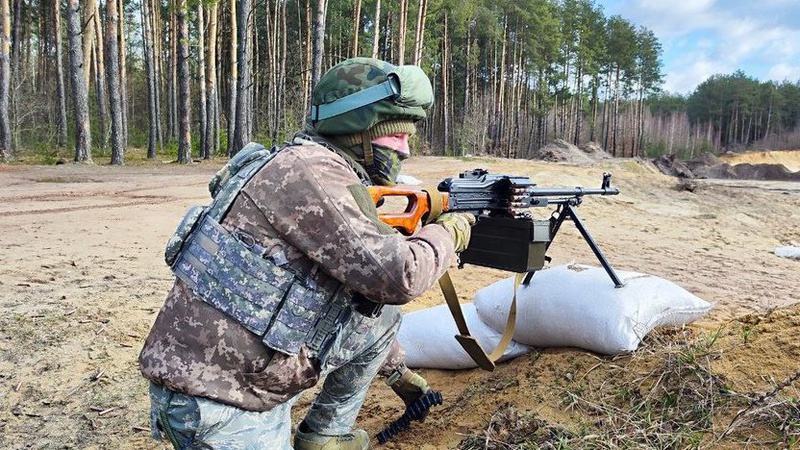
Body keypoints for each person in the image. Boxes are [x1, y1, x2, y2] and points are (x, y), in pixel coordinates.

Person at [138, 57, 475, 450]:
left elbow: (368, 306)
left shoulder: (304, 161)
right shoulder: (314, 172)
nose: (406, 150)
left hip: (240, 378)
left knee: (378, 315)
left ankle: (325, 437)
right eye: (395, 137)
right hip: (219, 404)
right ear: (359, 131)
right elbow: (401, 276)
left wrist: (401, 374)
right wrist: (448, 232)